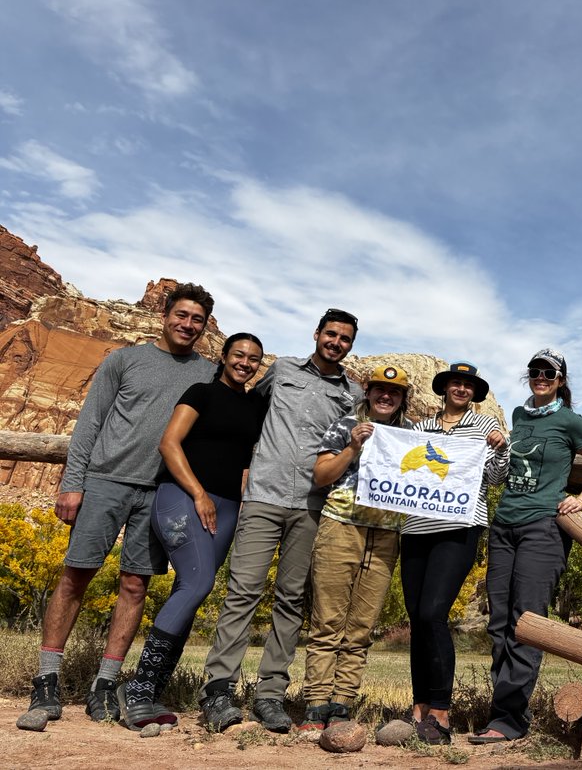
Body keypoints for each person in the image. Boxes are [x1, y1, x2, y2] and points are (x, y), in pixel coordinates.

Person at [27, 283, 216, 726]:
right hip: (106, 481)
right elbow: (90, 422)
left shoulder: (207, 373)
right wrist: (73, 484)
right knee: (76, 575)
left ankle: (105, 685)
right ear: (165, 315)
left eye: (197, 320)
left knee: (135, 585)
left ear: (204, 327)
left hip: (160, 492)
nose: (187, 325)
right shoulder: (125, 359)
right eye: (182, 315)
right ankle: (46, 681)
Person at [201, 308, 359, 733]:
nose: (336, 343)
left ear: (350, 345)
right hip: (263, 497)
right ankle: (218, 689)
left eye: (345, 339)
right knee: (243, 591)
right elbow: (248, 416)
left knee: (290, 599)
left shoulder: (353, 393)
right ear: (317, 334)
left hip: (312, 505)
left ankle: (270, 695)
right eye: (331, 334)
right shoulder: (282, 369)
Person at [118, 332, 268, 729]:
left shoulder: (253, 406)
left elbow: (244, 459)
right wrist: (199, 493)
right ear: (224, 355)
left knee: (192, 591)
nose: (246, 363)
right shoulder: (201, 391)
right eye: (239, 355)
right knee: (198, 583)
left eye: (254, 359)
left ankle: (153, 690)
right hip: (182, 497)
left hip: (227, 507)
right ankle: (138, 688)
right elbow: (169, 444)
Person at [467, 349, 582, 744]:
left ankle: (509, 721)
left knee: (526, 621)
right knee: (498, 623)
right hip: (504, 525)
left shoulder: (570, 420)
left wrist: (581, 500)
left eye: (549, 373)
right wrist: (500, 443)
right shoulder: (518, 415)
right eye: (535, 371)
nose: (541, 377)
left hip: (543, 529)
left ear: (561, 380)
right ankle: (506, 713)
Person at [299, 365, 411, 732]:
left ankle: (342, 702)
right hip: (341, 525)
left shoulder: (409, 436)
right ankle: (316, 701)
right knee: (328, 618)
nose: (386, 396)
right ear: (368, 391)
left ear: (402, 398)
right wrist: (353, 446)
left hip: (385, 534)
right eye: (380, 389)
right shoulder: (345, 424)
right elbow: (321, 476)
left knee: (362, 624)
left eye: (394, 392)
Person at [404, 361, 510, 745]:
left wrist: (499, 449)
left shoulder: (485, 428)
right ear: (444, 388)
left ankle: (442, 712)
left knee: (434, 612)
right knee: (416, 616)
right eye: (456, 383)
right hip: (415, 528)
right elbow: (405, 474)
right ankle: (418, 708)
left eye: (468, 385)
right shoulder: (420, 429)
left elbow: (496, 478)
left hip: (461, 526)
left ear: (474, 393)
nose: (461, 389)